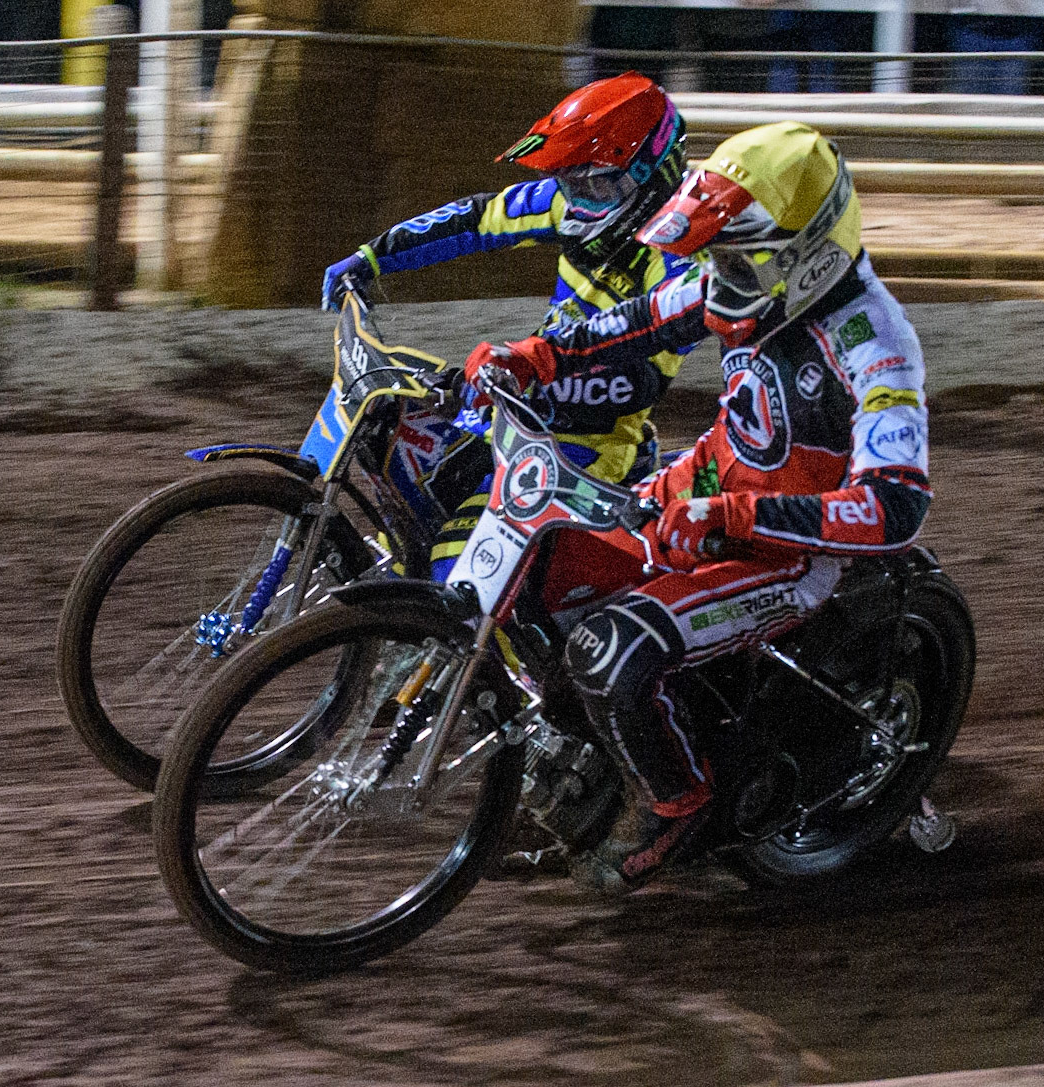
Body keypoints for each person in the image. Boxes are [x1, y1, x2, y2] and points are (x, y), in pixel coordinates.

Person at [461, 121, 932, 891]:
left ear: (807, 252)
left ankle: (677, 803)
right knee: (535, 576)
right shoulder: (741, 281)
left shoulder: (875, 346)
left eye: (735, 257)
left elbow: (896, 507)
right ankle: (594, 762)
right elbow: (636, 322)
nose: (720, 276)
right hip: (687, 500)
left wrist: (737, 519)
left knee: (608, 648)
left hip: (779, 554)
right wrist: (533, 356)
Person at [320, 72, 696, 578]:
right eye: (570, 181)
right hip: (513, 410)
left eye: (596, 183)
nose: (578, 200)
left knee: (456, 569)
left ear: (654, 173)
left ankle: (483, 654)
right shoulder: (566, 203)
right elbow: (477, 220)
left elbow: (639, 383)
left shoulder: (678, 260)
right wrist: (372, 256)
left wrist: (534, 377)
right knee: (408, 521)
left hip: (585, 446)